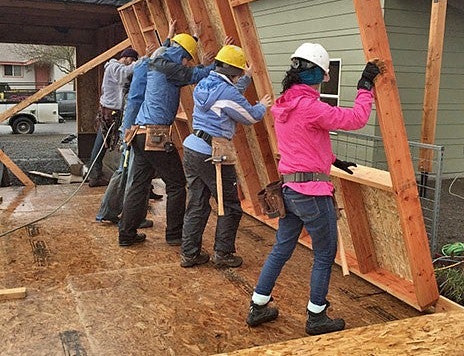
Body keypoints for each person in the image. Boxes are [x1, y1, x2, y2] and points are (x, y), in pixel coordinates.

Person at [245, 43, 385, 335]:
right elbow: (357, 119)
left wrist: (333, 159)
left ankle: (258, 305)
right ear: (320, 75)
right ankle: (316, 315)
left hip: (289, 192)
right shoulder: (312, 107)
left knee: (281, 249)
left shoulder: (283, 104)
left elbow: (303, 144)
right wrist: (365, 86)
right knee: (324, 254)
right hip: (312, 194)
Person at [118, 32, 215, 247]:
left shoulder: (158, 62)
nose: (187, 63)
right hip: (155, 136)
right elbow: (192, 75)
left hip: (139, 134)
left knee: (139, 185)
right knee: (177, 184)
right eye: (187, 58)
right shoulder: (170, 68)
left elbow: (185, 68)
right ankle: (174, 235)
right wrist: (219, 63)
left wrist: (196, 40)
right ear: (181, 55)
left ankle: (126, 234)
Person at [180, 44, 272, 268]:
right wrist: (261, 106)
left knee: (198, 203)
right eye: (241, 71)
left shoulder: (205, 83)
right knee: (230, 204)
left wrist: (247, 79)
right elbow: (248, 116)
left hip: (193, 147)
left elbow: (227, 96)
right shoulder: (226, 92)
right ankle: (223, 253)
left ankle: (190, 253)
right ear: (235, 71)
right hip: (214, 155)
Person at [95, 20, 177, 225]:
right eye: (129, 59)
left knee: (134, 174)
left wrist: (168, 38)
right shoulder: (136, 71)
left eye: (134, 59)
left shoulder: (141, 72)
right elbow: (153, 60)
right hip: (132, 128)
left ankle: (122, 215)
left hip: (132, 127)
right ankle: (117, 215)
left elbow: (156, 58)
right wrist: (151, 54)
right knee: (128, 173)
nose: (131, 61)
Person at [86, 47, 140, 187]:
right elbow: (125, 73)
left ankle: (94, 175)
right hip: (110, 112)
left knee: (104, 143)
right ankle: (94, 176)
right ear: (126, 57)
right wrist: (142, 61)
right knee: (101, 144)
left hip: (113, 111)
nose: (132, 63)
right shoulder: (114, 67)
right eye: (132, 60)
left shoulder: (115, 68)